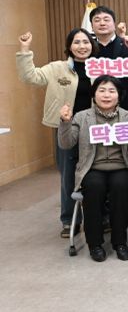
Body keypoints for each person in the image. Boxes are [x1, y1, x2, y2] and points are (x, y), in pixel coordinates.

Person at [16, 28, 98, 237]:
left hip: (96, 129)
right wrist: (25, 50)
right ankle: (70, 220)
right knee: (68, 176)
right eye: (76, 42)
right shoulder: (57, 68)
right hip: (66, 128)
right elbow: (30, 77)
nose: (82, 46)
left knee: (98, 173)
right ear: (69, 46)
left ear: (92, 45)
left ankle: (102, 217)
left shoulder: (101, 67)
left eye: (86, 42)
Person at [57, 75, 128, 262]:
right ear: (94, 94)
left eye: (112, 91)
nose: (106, 95)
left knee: (120, 186)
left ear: (119, 95)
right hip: (92, 168)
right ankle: (95, 244)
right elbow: (66, 143)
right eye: (101, 90)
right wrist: (65, 122)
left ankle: (120, 242)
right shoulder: (81, 117)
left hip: (121, 166)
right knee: (94, 187)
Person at [89, 6, 128, 116]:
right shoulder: (88, 48)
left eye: (106, 20)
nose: (102, 23)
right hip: (98, 107)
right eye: (97, 20)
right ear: (91, 26)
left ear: (114, 24)